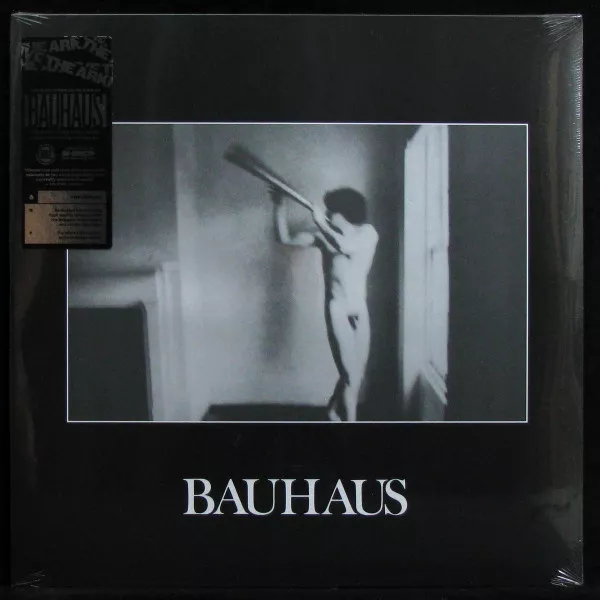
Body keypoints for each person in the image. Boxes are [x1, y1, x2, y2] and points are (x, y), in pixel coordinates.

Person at [271, 186, 378, 421]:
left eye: (331, 211)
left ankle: (331, 410)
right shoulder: (323, 236)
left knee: (355, 375)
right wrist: (279, 207)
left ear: (344, 212)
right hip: (337, 309)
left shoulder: (368, 233)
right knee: (350, 376)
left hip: (359, 310)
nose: (327, 214)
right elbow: (284, 239)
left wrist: (320, 222)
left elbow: (345, 247)